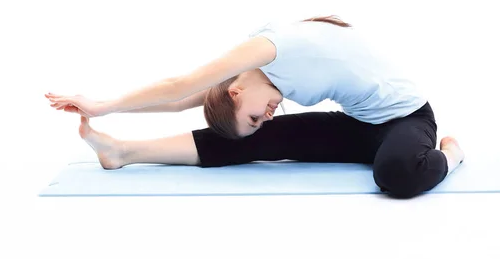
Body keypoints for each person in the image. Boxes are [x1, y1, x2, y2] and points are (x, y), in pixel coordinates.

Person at [45, 15, 465, 198]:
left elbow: (180, 85)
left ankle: (450, 154)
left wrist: (102, 104)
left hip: (407, 120)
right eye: (261, 118)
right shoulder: (253, 83)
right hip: (359, 127)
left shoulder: (268, 51)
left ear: (234, 92)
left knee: (394, 175)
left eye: (255, 115)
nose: (267, 116)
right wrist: (112, 121)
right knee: (254, 143)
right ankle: (123, 153)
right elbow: (183, 100)